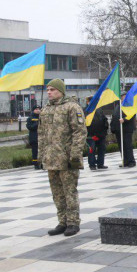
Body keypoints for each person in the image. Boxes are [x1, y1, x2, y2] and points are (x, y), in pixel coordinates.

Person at [38, 79, 86, 237]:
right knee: (57, 193)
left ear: (61, 90)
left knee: (69, 191)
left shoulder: (72, 107)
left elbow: (79, 132)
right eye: (48, 90)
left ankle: (73, 222)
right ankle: (63, 221)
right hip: (51, 159)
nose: (49, 92)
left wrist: (75, 154)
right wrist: (41, 155)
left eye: (52, 89)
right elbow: (41, 135)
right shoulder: (45, 109)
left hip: (67, 159)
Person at [111, 93, 136, 168]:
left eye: (124, 97)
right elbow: (114, 117)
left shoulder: (129, 106)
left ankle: (131, 161)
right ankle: (125, 161)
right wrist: (113, 128)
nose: (122, 99)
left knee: (128, 146)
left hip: (127, 129)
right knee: (121, 146)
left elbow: (132, 115)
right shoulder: (118, 106)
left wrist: (124, 120)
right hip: (119, 130)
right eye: (121, 97)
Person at [85, 96, 109, 171]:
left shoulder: (99, 110)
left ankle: (100, 164)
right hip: (90, 135)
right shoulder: (85, 111)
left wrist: (105, 128)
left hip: (101, 134)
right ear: (88, 102)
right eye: (91, 101)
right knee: (91, 150)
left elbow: (104, 119)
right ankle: (92, 165)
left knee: (102, 149)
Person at [26, 105, 42, 169]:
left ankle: (42, 163)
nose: (38, 110)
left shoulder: (42, 117)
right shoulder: (30, 118)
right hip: (34, 138)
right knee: (35, 152)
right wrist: (37, 123)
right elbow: (30, 127)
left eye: (39, 109)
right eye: (36, 109)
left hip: (42, 137)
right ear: (33, 110)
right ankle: (36, 164)